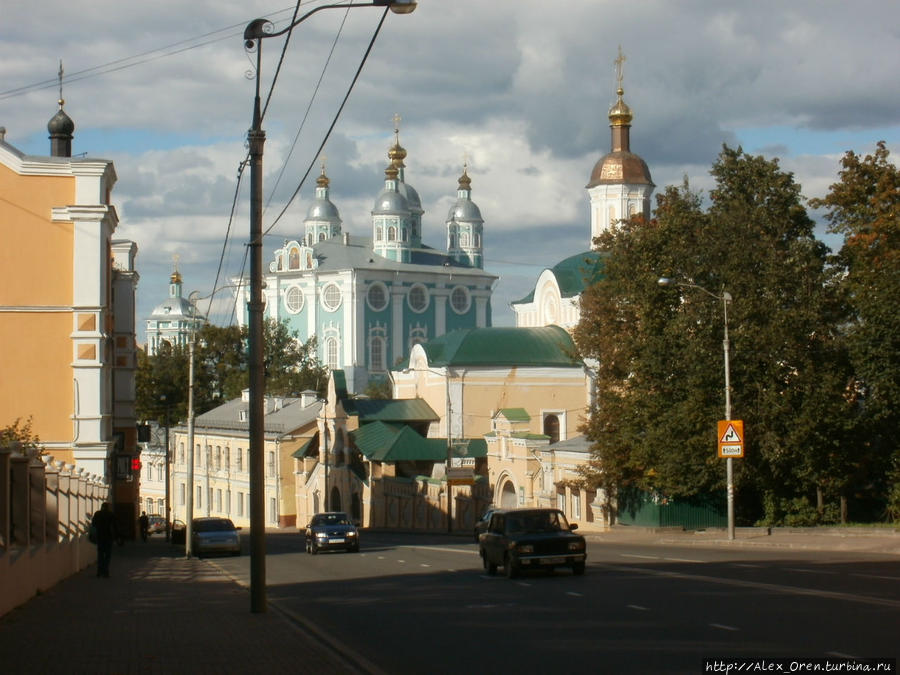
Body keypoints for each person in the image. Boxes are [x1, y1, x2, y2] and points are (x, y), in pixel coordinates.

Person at [91, 502, 117, 578]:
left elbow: (93, 524)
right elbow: (114, 525)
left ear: (102, 507)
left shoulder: (97, 514)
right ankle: (106, 572)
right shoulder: (111, 514)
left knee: (100, 554)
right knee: (107, 555)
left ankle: (99, 572)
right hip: (108, 537)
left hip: (100, 536)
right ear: (108, 507)